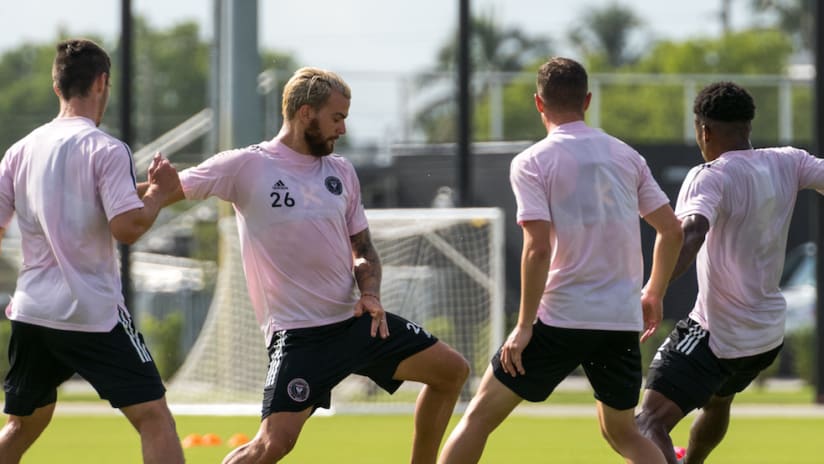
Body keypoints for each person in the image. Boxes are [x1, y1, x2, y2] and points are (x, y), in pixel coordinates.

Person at [152, 67, 470, 464]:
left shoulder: (342, 172)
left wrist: (370, 292)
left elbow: (364, 248)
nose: (344, 130)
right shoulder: (246, 166)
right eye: (337, 118)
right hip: (300, 336)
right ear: (306, 113)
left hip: (357, 322)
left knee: (451, 371)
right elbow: (157, 194)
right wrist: (116, 198)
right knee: (272, 445)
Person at [438, 56, 682, 464]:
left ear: (538, 103)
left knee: (479, 416)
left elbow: (537, 248)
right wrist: (654, 292)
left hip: (561, 319)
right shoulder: (627, 156)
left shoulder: (532, 161)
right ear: (587, 100)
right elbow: (672, 231)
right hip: (619, 321)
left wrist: (523, 326)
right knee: (624, 433)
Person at [0, 39, 184, 464]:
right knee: (155, 418)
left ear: (55, 85)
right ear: (103, 82)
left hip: (31, 312)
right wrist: (158, 195)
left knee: (24, 424)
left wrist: (150, 193)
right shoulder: (105, 148)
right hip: (90, 314)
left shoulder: (20, 150)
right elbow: (128, 227)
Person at [635, 81, 824, 464]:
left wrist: (653, 290)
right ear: (748, 126)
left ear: (703, 130)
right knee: (718, 402)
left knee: (646, 423)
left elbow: (691, 233)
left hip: (717, 334)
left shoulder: (710, 175)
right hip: (766, 336)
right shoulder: (790, 160)